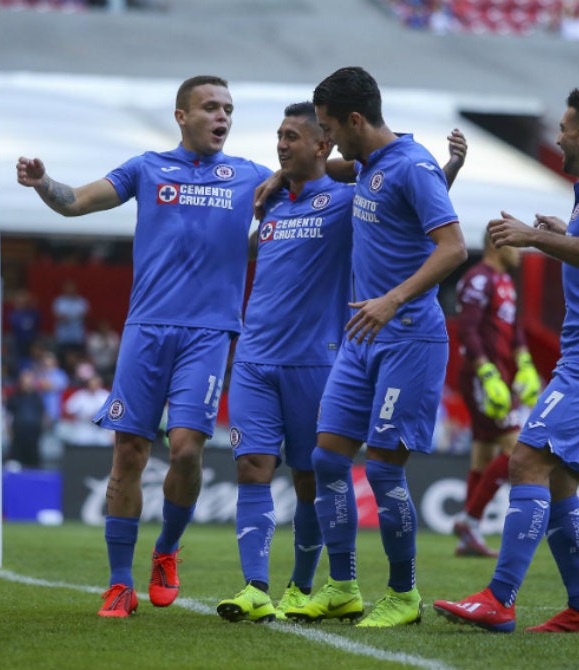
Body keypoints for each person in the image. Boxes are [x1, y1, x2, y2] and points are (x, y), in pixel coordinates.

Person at [16, 74, 273, 618]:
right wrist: (44, 183)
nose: (222, 117)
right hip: (146, 329)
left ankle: (166, 550)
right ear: (182, 116)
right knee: (129, 452)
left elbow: (315, 191)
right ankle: (118, 583)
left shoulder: (252, 177)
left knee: (185, 448)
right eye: (210, 107)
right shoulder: (147, 168)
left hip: (208, 333)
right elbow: (75, 202)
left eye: (228, 108)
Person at [216, 101, 468, 624]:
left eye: (303, 133)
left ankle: (397, 593)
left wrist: (446, 175)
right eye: (280, 135)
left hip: (376, 342)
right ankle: (324, 585)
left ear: (335, 134)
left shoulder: (361, 187)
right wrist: (274, 179)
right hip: (285, 352)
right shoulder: (290, 195)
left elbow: (419, 215)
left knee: (358, 469)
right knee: (313, 462)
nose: (284, 144)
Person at [434, 88, 579, 634]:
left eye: (563, 127)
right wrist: (564, 232)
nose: (555, 136)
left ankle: (499, 598)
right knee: (557, 483)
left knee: (526, 462)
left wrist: (535, 237)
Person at [282, 67, 468, 628]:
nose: (327, 137)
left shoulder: (410, 166)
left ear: (356, 119)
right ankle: (341, 587)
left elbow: (454, 248)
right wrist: (279, 177)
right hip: (362, 339)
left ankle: (404, 594)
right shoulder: (371, 163)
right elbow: (330, 166)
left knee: (384, 472)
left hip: (408, 337)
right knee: (328, 459)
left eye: (331, 125)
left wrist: (392, 298)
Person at [451, 226, 540, 558]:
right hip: (483, 376)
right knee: (517, 451)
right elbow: (468, 329)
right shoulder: (478, 279)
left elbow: (514, 328)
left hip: (503, 374)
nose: (519, 251)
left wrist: (526, 362)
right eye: (514, 245)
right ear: (496, 244)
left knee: (484, 453)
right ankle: (470, 518)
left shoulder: (504, 281)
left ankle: (467, 536)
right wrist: (486, 370)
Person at [52, 278, 89, 362]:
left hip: (78, 337)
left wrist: (68, 317)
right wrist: (75, 316)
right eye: (68, 288)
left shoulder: (81, 301)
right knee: (63, 360)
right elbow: (58, 317)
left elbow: (86, 315)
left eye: (72, 288)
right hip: (63, 337)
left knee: (79, 360)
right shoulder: (59, 301)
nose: (70, 290)